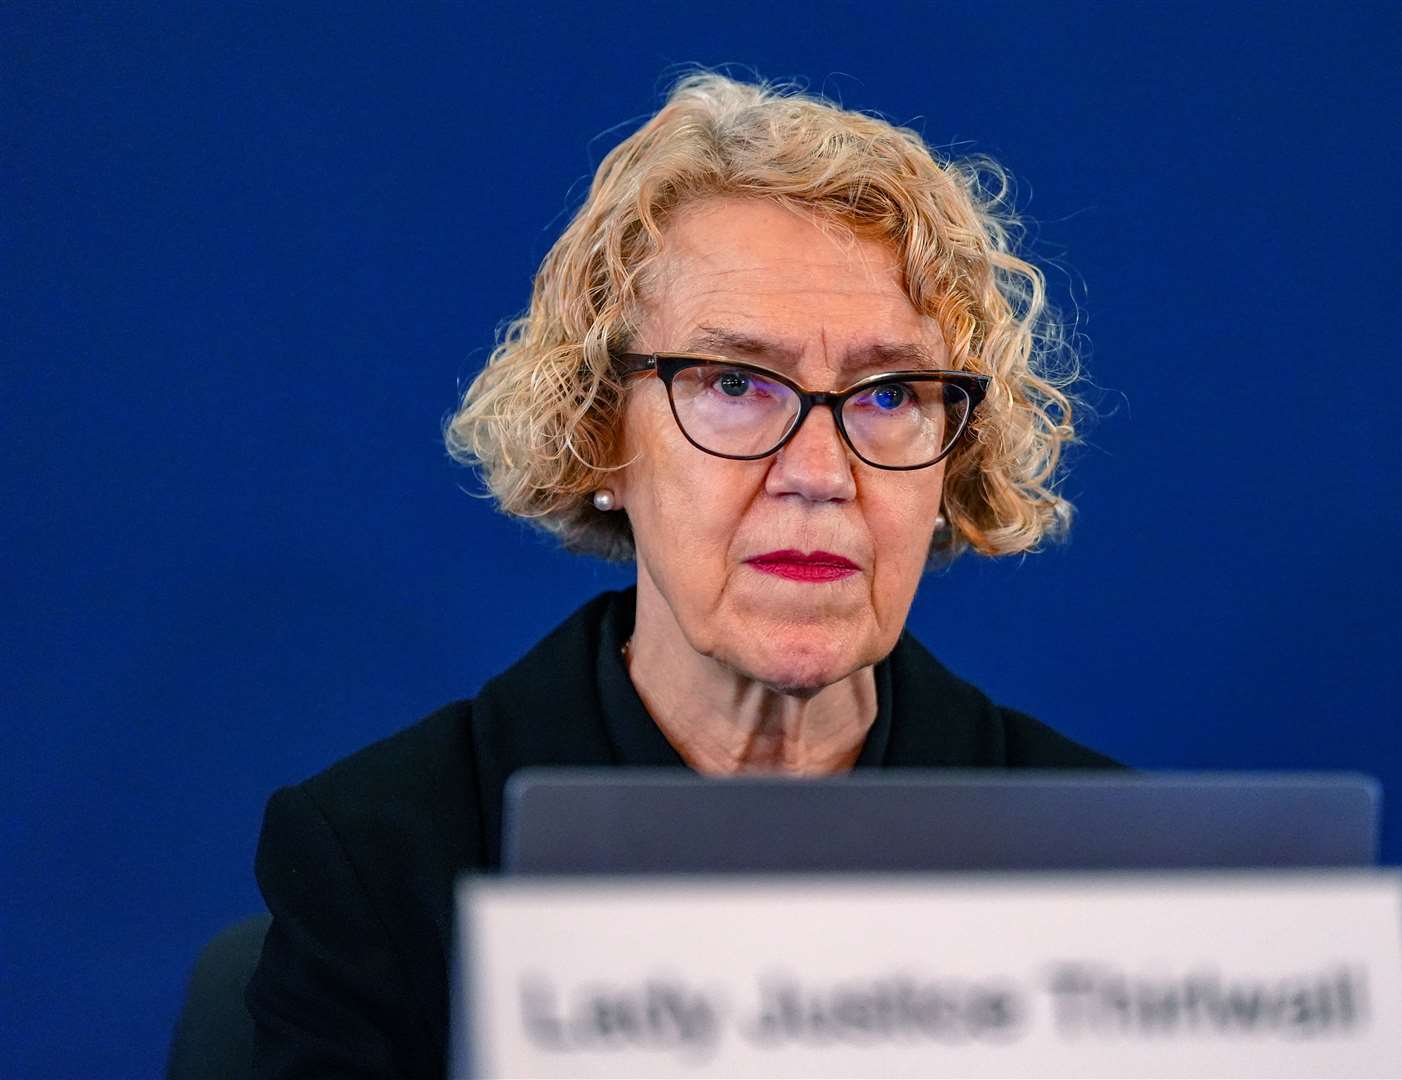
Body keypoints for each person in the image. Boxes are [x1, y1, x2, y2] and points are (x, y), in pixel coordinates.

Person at [246, 71, 1121, 1078]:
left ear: (953, 459)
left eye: (890, 395)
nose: (819, 475)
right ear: (601, 431)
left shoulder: (1100, 861)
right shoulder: (386, 859)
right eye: (736, 384)